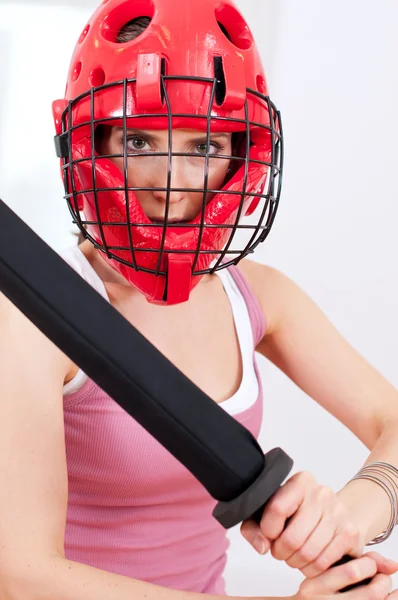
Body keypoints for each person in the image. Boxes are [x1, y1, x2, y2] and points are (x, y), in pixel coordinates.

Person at [0, 0, 397, 599]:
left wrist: (350, 516)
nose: (172, 182)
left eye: (203, 148)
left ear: (245, 151)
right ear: (90, 143)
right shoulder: (32, 319)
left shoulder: (257, 297)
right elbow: (21, 574)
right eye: (137, 139)